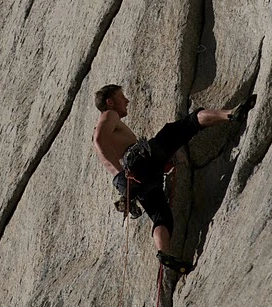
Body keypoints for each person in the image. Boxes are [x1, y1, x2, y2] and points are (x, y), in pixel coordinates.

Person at [93, 84, 256, 274]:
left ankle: (164, 253)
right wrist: (122, 172)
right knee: (187, 124)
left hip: (135, 181)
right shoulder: (109, 115)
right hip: (137, 164)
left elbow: (107, 151)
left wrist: (124, 178)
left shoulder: (112, 128)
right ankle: (231, 114)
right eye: (122, 97)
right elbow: (99, 140)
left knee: (161, 216)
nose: (127, 100)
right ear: (110, 101)